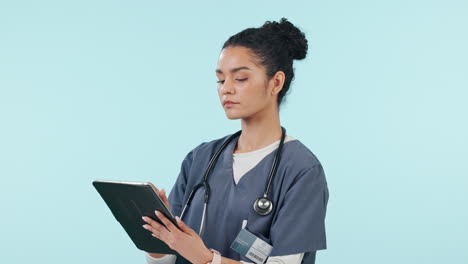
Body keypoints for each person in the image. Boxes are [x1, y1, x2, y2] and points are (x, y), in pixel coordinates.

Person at [141, 17, 329, 264]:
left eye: (240, 79)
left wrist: (206, 259)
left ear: (276, 82)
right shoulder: (200, 159)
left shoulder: (301, 171)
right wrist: (156, 237)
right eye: (220, 80)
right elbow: (167, 260)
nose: (226, 89)